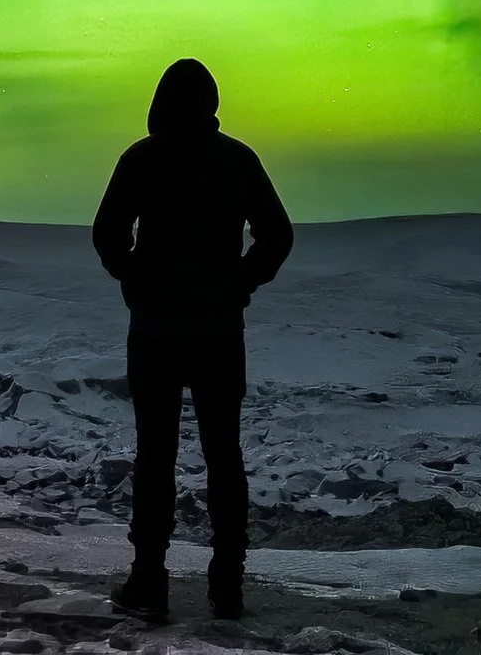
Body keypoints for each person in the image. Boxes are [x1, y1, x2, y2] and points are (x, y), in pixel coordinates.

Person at [91, 58, 294, 623]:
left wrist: (132, 276)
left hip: (156, 330)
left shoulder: (143, 157)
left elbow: (106, 231)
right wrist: (240, 283)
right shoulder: (237, 159)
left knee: (156, 456)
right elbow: (278, 235)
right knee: (223, 456)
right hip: (217, 331)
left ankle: (148, 582)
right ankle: (227, 587)